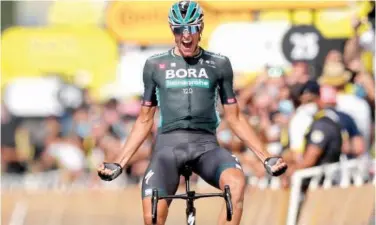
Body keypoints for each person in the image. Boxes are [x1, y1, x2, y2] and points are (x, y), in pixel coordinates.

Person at [97, 1, 287, 225]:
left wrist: (265, 157)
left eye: (192, 29)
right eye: (179, 29)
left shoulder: (219, 64)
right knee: (152, 216)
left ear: (201, 28)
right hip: (167, 149)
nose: (186, 36)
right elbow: (144, 120)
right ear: (171, 29)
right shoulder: (154, 65)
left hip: (206, 147)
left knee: (236, 184)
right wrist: (119, 163)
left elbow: (234, 117)